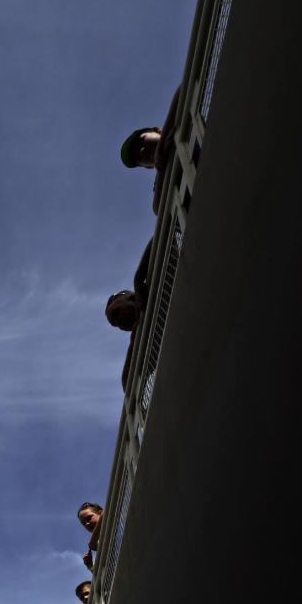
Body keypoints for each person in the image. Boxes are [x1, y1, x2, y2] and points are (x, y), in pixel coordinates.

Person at [119, 86, 181, 213]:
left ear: (157, 130)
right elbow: (157, 208)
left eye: (141, 141)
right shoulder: (160, 179)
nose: (142, 151)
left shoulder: (180, 121)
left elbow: (180, 94)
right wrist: (161, 167)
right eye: (138, 159)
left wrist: (162, 144)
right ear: (149, 167)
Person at [105, 239, 153, 391]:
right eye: (115, 324)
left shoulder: (152, 280)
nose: (118, 322)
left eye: (116, 312)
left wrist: (138, 279)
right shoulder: (141, 336)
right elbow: (127, 386)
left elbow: (157, 240)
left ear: (129, 297)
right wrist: (133, 345)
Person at [77, 503, 103, 571]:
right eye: (84, 523)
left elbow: (107, 511)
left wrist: (93, 541)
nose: (87, 524)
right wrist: (90, 565)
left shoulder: (114, 517)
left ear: (100, 513)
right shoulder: (100, 542)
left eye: (89, 518)